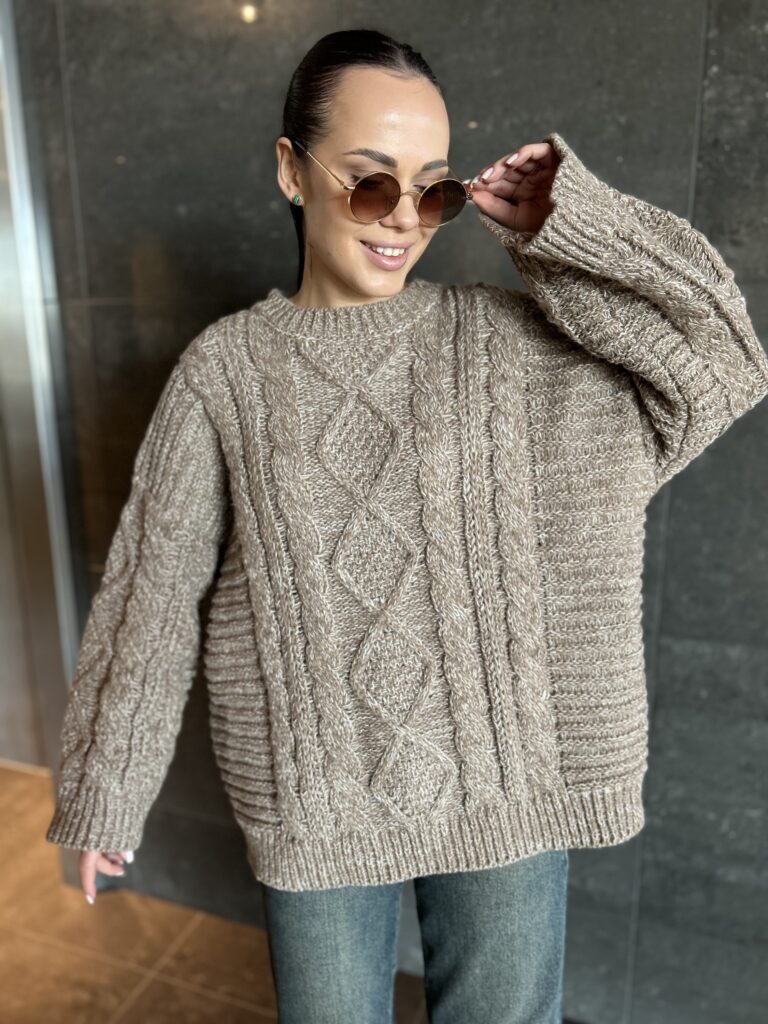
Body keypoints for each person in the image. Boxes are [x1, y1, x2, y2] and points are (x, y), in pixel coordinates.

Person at [44, 28, 768, 1024]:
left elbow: (721, 366)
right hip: (317, 798)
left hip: (506, 784)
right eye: (371, 180)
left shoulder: (507, 345)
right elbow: (152, 594)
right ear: (291, 170)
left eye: (433, 191)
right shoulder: (226, 374)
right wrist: (105, 789)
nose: (402, 218)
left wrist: (572, 226)